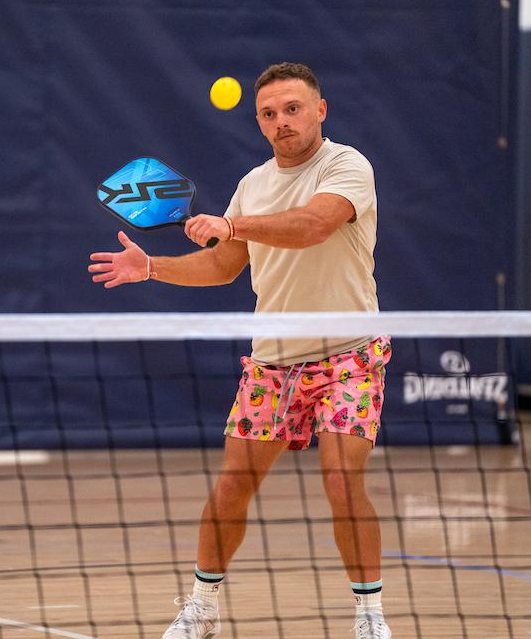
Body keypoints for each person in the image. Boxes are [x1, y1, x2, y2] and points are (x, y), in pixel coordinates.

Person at [88, 62, 392, 639]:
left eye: (293, 109)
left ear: (320, 110)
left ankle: (369, 617)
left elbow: (312, 226)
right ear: (259, 122)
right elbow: (224, 265)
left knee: (341, 480)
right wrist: (151, 267)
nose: (282, 122)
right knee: (231, 485)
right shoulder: (253, 184)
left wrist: (231, 226)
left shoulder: (347, 166)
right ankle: (202, 607)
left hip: (350, 354)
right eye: (269, 114)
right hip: (273, 361)